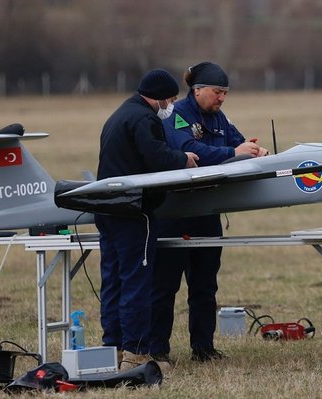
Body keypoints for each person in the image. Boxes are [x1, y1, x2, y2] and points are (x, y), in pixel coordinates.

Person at [151, 61, 268, 363]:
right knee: (165, 286)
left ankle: (203, 348)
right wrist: (233, 153)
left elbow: (239, 142)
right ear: (198, 90)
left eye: (225, 93)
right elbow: (190, 152)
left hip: (207, 211)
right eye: (218, 92)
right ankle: (158, 350)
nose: (222, 98)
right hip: (175, 213)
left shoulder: (220, 118)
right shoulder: (176, 115)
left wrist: (255, 151)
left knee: (205, 284)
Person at [94, 69, 198, 369]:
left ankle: (111, 349)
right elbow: (157, 157)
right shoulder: (144, 119)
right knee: (136, 282)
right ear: (161, 97)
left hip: (108, 210)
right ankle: (136, 354)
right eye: (172, 99)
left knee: (112, 281)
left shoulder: (120, 115)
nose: (173, 105)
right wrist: (184, 159)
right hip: (132, 212)